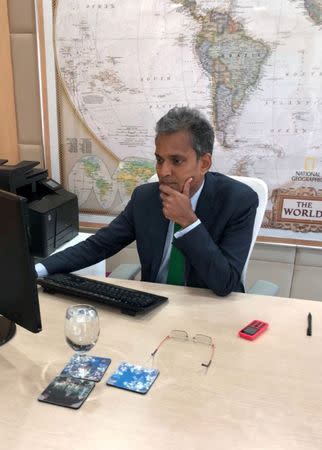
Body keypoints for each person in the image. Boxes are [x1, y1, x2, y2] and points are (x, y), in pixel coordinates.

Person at [36, 106, 258, 296]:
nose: (164, 171)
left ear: (204, 163)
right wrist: (39, 270)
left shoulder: (238, 201)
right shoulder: (145, 198)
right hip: (155, 308)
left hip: (211, 313)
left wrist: (189, 222)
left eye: (176, 161)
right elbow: (99, 245)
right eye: (159, 160)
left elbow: (226, 283)